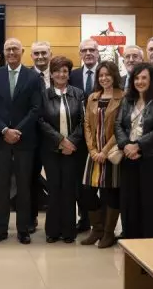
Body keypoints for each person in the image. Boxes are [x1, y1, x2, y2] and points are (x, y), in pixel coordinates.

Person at [0, 38, 42, 245]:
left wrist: (17, 130)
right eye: (8, 49)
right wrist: (3, 130)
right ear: (3, 52)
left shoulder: (33, 77)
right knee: (1, 186)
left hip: (24, 141)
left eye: (15, 49)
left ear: (22, 51)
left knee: (24, 187)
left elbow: (36, 108)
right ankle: (0, 230)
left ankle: (23, 229)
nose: (11, 52)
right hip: (0, 141)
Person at [115, 63, 153, 239]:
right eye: (136, 78)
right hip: (128, 157)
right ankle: (131, 238)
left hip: (150, 157)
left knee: (150, 201)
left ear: (151, 80)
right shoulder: (126, 100)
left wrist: (138, 145)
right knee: (129, 200)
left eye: (144, 77)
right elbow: (118, 125)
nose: (140, 81)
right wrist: (126, 145)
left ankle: (151, 240)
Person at [39, 56, 85, 244]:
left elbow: (84, 121)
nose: (61, 74)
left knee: (69, 189)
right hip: (51, 149)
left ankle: (68, 231)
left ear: (69, 73)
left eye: (65, 71)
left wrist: (70, 142)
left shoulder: (78, 94)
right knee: (54, 189)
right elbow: (40, 120)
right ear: (51, 73)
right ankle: (52, 230)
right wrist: (60, 141)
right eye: (57, 70)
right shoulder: (44, 94)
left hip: (72, 150)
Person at [80, 62, 124, 248]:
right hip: (94, 154)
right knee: (86, 193)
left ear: (114, 76)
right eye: (101, 75)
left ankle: (108, 233)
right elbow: (87, 125)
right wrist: (92, 151)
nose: (104, 78)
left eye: (107, 75)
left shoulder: (123, 97)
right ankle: (96, 229)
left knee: (110, 194)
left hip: (111, 153)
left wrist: (104, 151)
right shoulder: (93, 97)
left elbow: (121, 127)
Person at [69, 38, 101, 233]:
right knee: (81, 183)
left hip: (103, 139)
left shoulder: (106, 73)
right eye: (84, 50)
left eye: (92, 50)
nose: (88, 53)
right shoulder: (73, 75)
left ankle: (103, 221)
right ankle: (84, 218)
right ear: (80, 54)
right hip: (80, 140)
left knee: (103, 183)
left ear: (98, 53)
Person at [28, 41, 53, 233]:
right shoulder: (26, 76)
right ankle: (31, 218)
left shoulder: (60, 74)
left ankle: (57, 218)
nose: (40, 57)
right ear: (31, 56)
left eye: (44, 53)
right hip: (32, 137)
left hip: (56, 137)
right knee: (31, 179)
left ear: (50, 54)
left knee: (57, 179)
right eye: (36, 53)